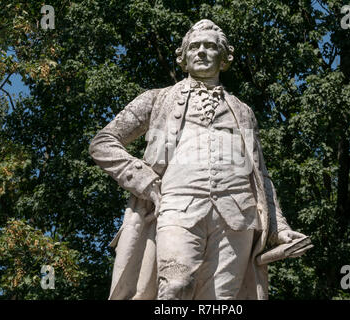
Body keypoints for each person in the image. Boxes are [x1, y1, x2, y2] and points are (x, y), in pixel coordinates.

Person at [89, 19, 306, 300]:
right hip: (177, 204)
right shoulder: (157, 99)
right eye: (195, 46)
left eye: (210, 46)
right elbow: (102, 143)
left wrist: (280, 229)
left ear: (224, 57)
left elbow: (260, 175)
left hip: (238, 214)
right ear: (184, 57)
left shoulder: (243, 111)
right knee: (176, 286)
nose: (202, 51)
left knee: (222, 302)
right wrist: (142, 178)